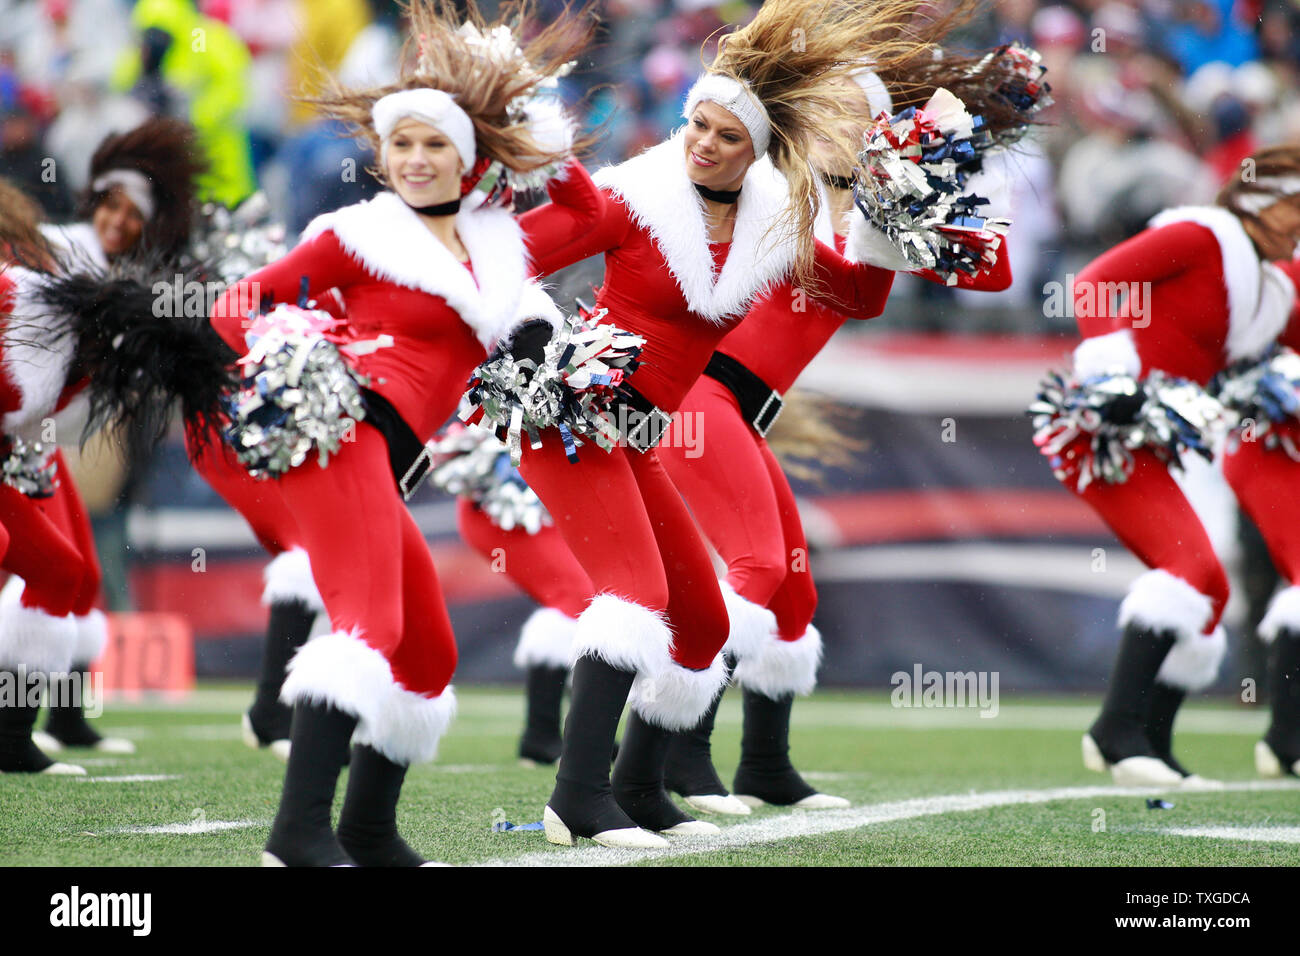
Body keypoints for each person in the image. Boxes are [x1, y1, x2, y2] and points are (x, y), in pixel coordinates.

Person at [514, 0, 939, 848]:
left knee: (703, 623)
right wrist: (538, 352)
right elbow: (511, 257)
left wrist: (879, 195)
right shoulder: (633, 197)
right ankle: (576, 797)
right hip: (575, 420)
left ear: (758, 151)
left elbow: (858, 293)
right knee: (635, 596)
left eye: (727, 135)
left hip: (639, 436)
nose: (704, 143)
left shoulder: (770, 223)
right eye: (697, 125)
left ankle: (639, 787)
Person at [206, 0, 600, 865]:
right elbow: (238, 307)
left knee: (427, 652)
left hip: (392, 461)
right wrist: (294, 364)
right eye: (402, 144)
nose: (416, 160)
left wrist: (533, 119)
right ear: (380, 156)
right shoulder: (358, 234)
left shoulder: (500, 246)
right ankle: (296, 835)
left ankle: (368, 830)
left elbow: (586, 212)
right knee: (369, 627)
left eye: (436, 144)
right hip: (339, 430)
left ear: (471, 154)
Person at [1032, 145, 1300, 785]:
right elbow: (1096, 282)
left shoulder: (1267, 284)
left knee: (1209, 588)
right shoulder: (1201, 236)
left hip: (1163, 437)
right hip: (1108, 424)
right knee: (1192, 569)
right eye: (1295, 206)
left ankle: (1148, 738)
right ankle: (1114, 731)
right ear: (1262, 200)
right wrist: (1111, 373)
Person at [24, 118, 204, 758]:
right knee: (52, 571)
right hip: (18, 442)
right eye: (112, 205)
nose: (119, 221)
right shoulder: (52, 247)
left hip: (40, 443)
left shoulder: (133, 281)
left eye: (134, 213)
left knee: (80, 574)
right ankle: (12, 731)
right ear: (94, 198)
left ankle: (65, 719)